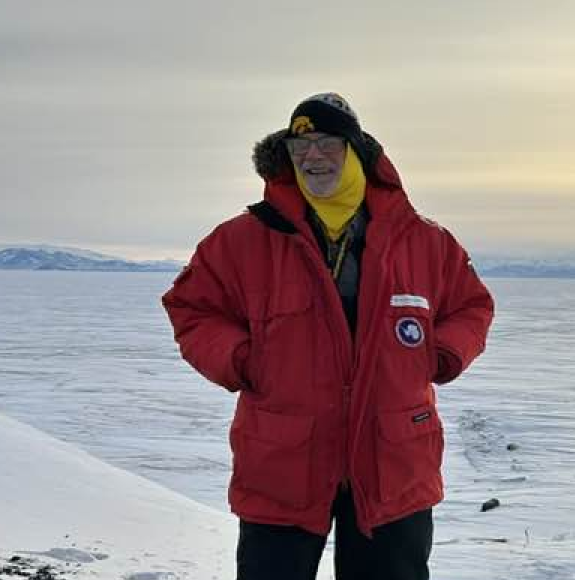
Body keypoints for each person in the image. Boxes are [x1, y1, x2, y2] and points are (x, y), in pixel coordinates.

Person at [161, 92, 494, 580]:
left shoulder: (424, 241)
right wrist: (242, 360)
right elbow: (193, 308)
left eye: (326, 144)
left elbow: (471, 306)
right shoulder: (243, 240)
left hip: (393, 457)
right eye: (300, 148)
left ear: (356, 150)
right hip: (283, 458)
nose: (312, 157)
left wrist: (441, 353)